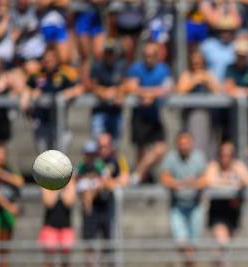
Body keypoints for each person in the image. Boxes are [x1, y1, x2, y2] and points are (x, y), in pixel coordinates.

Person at [124, 42, 172, 184]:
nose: (148, 59)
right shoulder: (136, 68)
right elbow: (131, 87)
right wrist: (149, 93)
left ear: (157, 56)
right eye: (146, 56)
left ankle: (137, 174)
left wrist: (148, 94)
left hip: (154, 116)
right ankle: (141, 183)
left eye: (151, 56)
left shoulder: (163, 69)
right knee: (141, 152)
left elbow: (167, 89)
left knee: (160, 149)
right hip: (139, 116)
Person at [159, 132, 208, 267]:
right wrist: (180, 183)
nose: (184, 146)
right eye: (181, 144)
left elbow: (205, 179)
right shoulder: (171, 158)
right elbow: (165, 178)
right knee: (181, 241)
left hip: (195, 205)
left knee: (193, 242)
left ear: (191, 144)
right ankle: (190, 266)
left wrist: (194, 183)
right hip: (177, 206)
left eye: (187, 143)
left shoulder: (199, 157)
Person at [21, 48, 84, 153]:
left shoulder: (65, 73)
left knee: (60, 157)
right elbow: (26, 90)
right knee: (43, 157)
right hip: (41, 122)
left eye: (51, 60)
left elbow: (79, 88)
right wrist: (31, 94)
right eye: (46, 61)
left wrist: (67, 94)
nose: (48, 63)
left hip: (59, 122)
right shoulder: (37, 75)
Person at [176, 49, 221, 160]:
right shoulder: (187, 75)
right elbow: (180, 91)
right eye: (194, 63)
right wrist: (194, 81)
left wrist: (207, 81)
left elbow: (219, 92)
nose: (197, 66)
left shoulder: (208, 74)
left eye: (199, 63)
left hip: (208, 117)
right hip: (190, 116)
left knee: (207, 145)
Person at [205, 142, 248, 248]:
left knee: (225, 245)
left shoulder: (238, 166)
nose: (225, 158)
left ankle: (219, 262)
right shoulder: (214, 166)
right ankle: (219, 261)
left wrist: (236, 173)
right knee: (221, 239)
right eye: (222, 155)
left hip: (233, 208)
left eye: (228, 155)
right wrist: (231, 183)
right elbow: (210, 181)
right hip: (217, 209)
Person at [89, 39, 128, 144]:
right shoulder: (97, 66)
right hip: (100, 110)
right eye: (108, 52)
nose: (110, 55)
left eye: (112, 53)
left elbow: (126, 84)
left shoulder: (121, 66)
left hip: (115, 112)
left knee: (114, 146)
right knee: (98, 144)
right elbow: (91, 85)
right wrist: (104, 92)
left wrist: (117, 92)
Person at [0, 144, 23, 267]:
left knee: (5, 245)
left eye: (3, 153)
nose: (1, 156)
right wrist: (9, 206)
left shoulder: (10, 169)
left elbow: (19, 181)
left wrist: (0, 172)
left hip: (8, 212)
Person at [39, 176, 76, 267]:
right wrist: (58, 188)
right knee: (48, 261)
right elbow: (49, 202)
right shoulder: (46, 180)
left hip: (65, 226)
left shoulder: (70, 180)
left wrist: (60, 188)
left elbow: (69, 202)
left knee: (66, 261)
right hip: (50, 225)